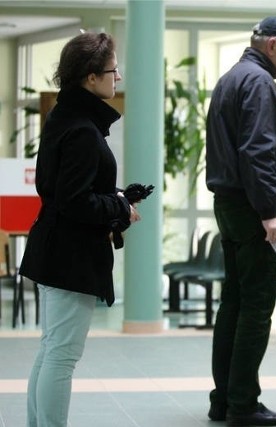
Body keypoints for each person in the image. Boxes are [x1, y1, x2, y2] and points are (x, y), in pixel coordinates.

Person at [19, 32, 140, 427]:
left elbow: (64, 191)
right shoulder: (84, 130)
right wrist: (120, 205)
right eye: (112, 70)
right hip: (70, 257)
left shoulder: (63, 116)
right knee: (62, 355)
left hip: (52, 248)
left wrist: (116, 196)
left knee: (52, 349)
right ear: (91, 77)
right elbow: (75, 201)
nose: (117, 77)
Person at [204, 16, 276, 427]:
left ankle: (224, 399)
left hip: (229, 206)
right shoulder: (261, 83)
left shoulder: (231, 78)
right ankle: (244, 405)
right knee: (256, 308)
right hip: (253, 210)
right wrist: (270, 213)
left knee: (233, 303)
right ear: (272, 45)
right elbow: (257, 152)